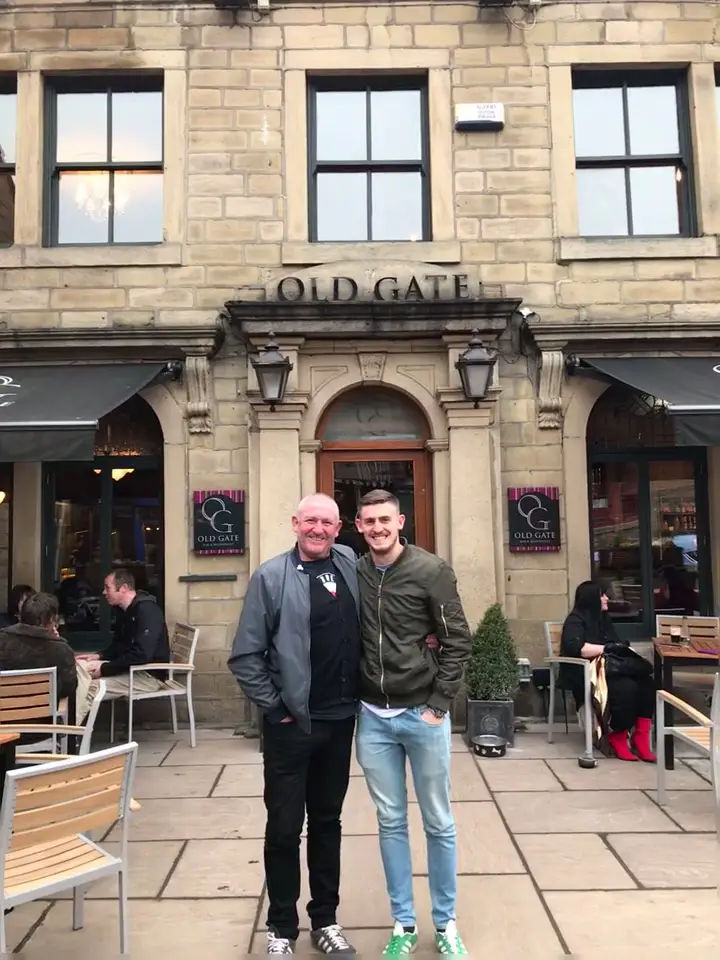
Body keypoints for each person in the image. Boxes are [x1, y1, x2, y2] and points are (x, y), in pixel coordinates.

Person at [228, 494, 360, 956]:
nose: (318, 529)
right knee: (284, 828)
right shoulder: (271, 576)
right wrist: (275, 707)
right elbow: (245, 655)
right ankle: (282, 928)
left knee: (327, 823)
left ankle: (326, 920)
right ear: (295, 524)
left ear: (339, 528)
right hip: (291, 726)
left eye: (326, 522)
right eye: (310, 521)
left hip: (340, 721)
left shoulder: (350, 564)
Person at [353, 489, 472, 957]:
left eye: (385, 519)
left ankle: (446, 924)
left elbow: (457, 639)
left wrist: (438, 705)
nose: (377, 528)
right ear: (358, 526)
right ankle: (403, 923)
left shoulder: (431, 570)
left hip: (422, 713)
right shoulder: (355, 570)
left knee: (438, 821)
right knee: (390, 822)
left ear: (400, 522)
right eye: (369, 521)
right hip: (372, 717)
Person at [560, 581, 656, 763]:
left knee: (646, 683)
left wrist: (620, 647)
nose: (606, 598)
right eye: (602, 595)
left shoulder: (603, 619)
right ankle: (618, 735)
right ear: (591, 599)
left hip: (610, 669)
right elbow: (576, 648)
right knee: (626, 687)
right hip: (589, 673)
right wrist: (607, 648)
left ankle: (641, 737)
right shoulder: (575, 620)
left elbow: (614, 643)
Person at [78, 569, 170, 700]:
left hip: (148, 676)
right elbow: (119, 644)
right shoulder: (125, 611)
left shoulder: (147, 611)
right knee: (80, 668)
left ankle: (72, 714)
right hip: (131, 669)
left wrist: (105, 669)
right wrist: (100, 656)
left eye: (107, 588)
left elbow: (142, 654)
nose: (104, 592)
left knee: (89, 687)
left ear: (124, 588)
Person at [0, 591, 78, 728]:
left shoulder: (2, 641)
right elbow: (68, 688)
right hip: (43, 727)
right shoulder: (60, 650)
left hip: (4, 727)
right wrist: (56, 641)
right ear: (52, 620)